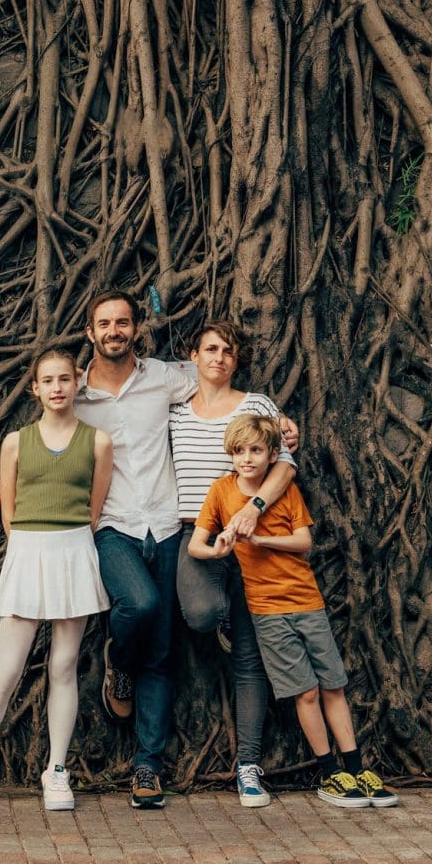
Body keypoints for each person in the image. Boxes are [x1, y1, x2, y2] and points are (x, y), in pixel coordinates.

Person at [0, 290, 197, 811]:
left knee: (96, 657)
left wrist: (271, 420)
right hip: (70, 542)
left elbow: (216, 384)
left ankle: (78, 770)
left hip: (132, 531)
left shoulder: (163, 379)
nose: (114, 330)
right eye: (104, 323)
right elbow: (25, 474)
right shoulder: (69, 398)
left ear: (135, 328)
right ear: (90, 333)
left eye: (123, 322)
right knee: (12, 665)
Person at [188, 413, 398, 809]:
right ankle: (328, 772)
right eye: (239, 451)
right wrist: (217, 548)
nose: (246, 459)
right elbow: (195, 545)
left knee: (333, 684)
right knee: (306, 692)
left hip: (307, 602)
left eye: (255, 451)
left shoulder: (285, 492)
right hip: (266, 611)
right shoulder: (221, 492)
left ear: (272, 455)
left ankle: (355, 766)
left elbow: (304, 542)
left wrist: (260, 538)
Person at [0, 346, 113, 814]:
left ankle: (57, 770)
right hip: (28, 552)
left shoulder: (98, 441)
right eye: (49, 380)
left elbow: (94, 507)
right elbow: (11, 513)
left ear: (78, 382)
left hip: (75, 551)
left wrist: (71, 540)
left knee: (64, 666)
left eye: (65, 378)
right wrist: (29, 543)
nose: (58, 388)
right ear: (35, 388)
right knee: (8, 668)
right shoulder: (17, 442)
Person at [170, 321, 298, 808]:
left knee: (251, 659)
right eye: (210, 349)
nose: (219, 357)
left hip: (256, 537)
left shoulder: (257, 404)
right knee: (201, 613)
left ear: (236, 360)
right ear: (193, 357)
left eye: (227, 351)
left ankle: (248, 765)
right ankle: (223, 617)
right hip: (197, 532)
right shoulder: (176, 410)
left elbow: (285, 464)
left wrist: (253, 509)